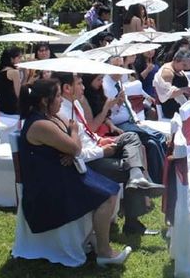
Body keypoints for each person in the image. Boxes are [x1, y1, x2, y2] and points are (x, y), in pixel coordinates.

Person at [18, 78, 131, 265]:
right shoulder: (39, 124)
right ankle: (104, 252)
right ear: (45, 101)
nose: (61, 101)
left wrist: (70, 145)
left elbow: (71, 146)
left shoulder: (51, 117)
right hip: (48, 185)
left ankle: (95, 239)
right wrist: (73, 135)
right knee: (108, 195)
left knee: (110, 188)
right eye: (57, 97)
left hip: (63, 173)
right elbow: (75, 145)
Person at [55, 72, 164, 236]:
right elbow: (76, 151)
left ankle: (136, 176)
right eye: (79, 84)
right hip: (88, 161)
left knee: (131, 137)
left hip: (96, 147)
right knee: (129, 168)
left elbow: (86, 133)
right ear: (67, 88)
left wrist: (100, 140)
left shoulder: (75, 104)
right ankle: (133, 222)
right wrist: (102, 150)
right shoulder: (62, 112)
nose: (83, 87)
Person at [98, 61, 168, 183]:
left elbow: (129, 106)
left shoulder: (118, 83)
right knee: (152, 141)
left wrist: (135, 119)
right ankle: (159, 180)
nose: (121, 69)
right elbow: (106, 114)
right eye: (117, 66)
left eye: (121, 66)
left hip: (131, 121)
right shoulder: (105, 87)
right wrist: (116, 104)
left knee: (156, 140)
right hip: (118, 125)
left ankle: (164, 177)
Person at [154, 47, 190, 119]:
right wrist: (183, 90)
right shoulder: (168, 72)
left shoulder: (178, 70)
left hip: (184, 103)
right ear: (176, 60)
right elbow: (166, 95)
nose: (184, 68)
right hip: (173, 108)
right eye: (183, 65)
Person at [0, 47, 23, 116]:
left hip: (0, 105)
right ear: (11, 59)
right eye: (19, 58)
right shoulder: (14, 72)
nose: (21, 60)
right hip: (11, 108)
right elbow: (19, 94)